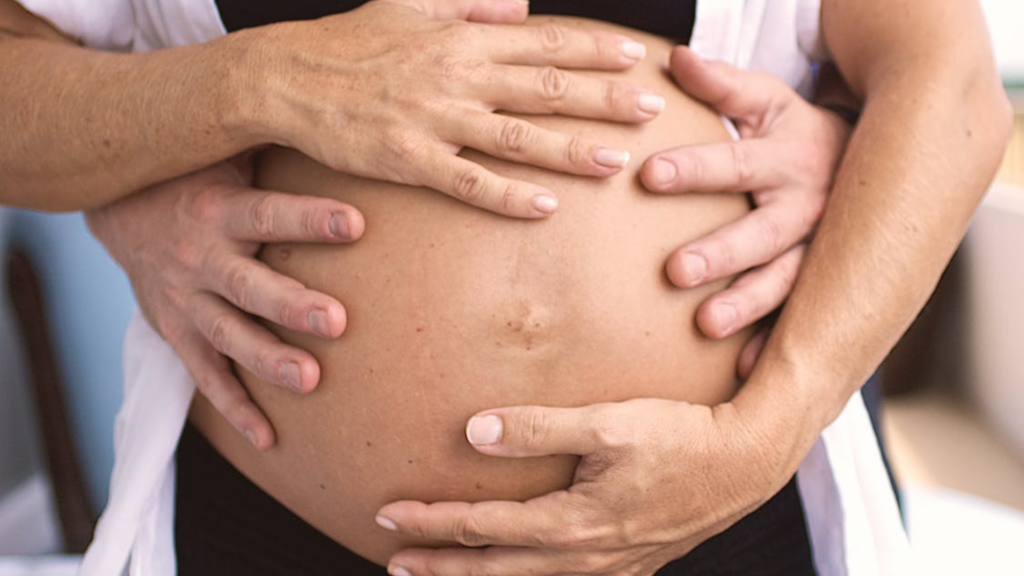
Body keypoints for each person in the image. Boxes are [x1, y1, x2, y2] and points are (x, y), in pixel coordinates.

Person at [0, 1, 1010, 575]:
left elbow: (949, 81)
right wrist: (241, 85)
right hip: (277, 523)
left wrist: (763, 435)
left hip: (713, 508)